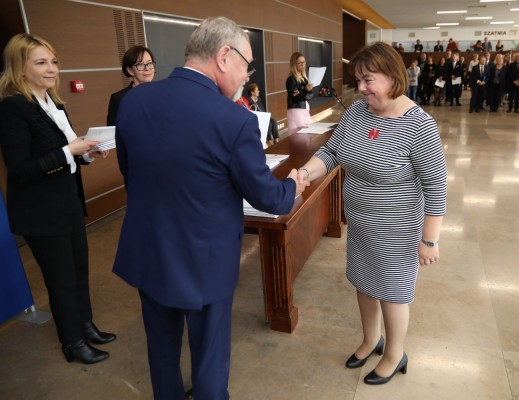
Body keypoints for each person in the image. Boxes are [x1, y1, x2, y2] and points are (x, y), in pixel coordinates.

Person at [112, 17, 306, 400]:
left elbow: (129, 171)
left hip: (149, 249)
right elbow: (266, 197)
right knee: (209, 355)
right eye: (246, 64)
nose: (246, 74)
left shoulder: (135, 100)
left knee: (161, 349)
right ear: (223, 56)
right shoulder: (233, 119)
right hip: (205, 256)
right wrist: (292, 187)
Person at [296, 41, 446, 386]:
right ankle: (370, 339)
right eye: (358, 81)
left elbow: (436, 186)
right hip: (362, 226)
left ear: (393, 77)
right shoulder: (358, 112)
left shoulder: (419, 126)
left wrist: (429, 239)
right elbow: (333, 151)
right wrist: (304, 174)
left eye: (368, 80)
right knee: (364, 285)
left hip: (397, 230)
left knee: (393, 294)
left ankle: (395, 354)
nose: (361, 89)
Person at [0, 33, 114, 364]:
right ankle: (73, 342)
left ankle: (86, 326)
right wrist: (69, 150)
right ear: (20, 68)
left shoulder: (54, 103)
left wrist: (88, 154)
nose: (51, 69)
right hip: (40, 211)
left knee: (78, 270)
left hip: (67, 203)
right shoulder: (12, 108)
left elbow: (68, 151)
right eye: (41, 62)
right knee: (61, 278)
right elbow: (20, 170)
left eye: (53, 62)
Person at [106, 45, 155, 125]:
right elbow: (113, 131)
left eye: (149, 63)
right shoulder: (119, 99)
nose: (147, 68)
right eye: (140, 65)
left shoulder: (163, 93)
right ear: (130, 70)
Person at [286, 51, 314, 134]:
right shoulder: (291, 80)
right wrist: (305, 90)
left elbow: (311, 95)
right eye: (300, 62)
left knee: (306, 137)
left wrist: (304, 92)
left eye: (304, 62)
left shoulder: (304, 78)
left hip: (304, 110)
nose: (303, 64)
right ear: (294, 64)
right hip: (296, 111)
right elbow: (296, 98)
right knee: (302, 137)